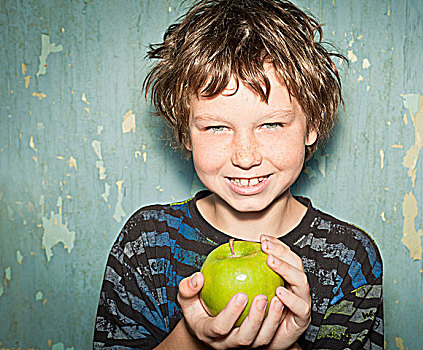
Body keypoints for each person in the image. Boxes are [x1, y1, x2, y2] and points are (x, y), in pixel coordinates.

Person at [93, 0, 383, 349]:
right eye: (216, 127)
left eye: (272, 124)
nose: (245, 156)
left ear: (312, 127)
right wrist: (193, 338)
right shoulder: (148, 244)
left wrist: (287, 344)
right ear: (186, 133)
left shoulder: (349, 257)